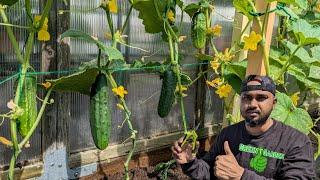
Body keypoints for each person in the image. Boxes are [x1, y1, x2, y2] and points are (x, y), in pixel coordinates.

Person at [172, 75, 316, 179]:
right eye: (247, 97)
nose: (253, 104)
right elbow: (208, 171)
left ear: (274, 103)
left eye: (261, 98)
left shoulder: (296, 142)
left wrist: (241, 175)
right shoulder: (228, 134)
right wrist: (190, 162)